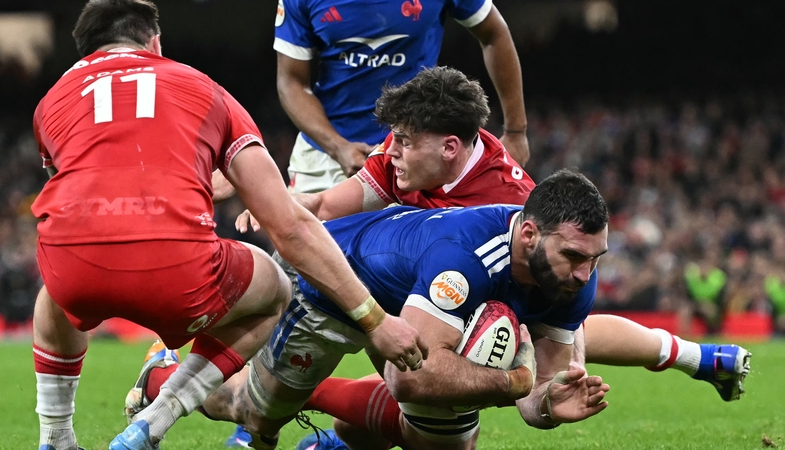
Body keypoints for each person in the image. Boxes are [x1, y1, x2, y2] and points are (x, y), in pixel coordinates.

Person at [226, 65, 751, 449]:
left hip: (474, 298)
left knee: (456, 396)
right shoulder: (406, 156)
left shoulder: (508, 206)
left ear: (450, 147)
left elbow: (556, 325)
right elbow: (326, 206)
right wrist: (272, 199)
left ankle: (314, 412)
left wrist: (544, 388)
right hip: (399, 281)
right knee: (420, 392)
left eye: (404, 141)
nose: (392, 151)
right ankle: (702, 357)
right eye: (396, 140)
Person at [29, 2, 426, 450]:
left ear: (84, 52)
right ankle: (155, 420)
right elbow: (290, 227)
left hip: (77, 270)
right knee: (275, 287)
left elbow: (77, 199)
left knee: (53, 294)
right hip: (179, 272)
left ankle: (56, 437)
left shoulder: (52, 101)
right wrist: (375, 321)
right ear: (155, 43)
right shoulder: (202, 87)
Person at [131, 169, 612, 450]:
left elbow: (538, 390)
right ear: (528, 235)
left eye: (595, 259)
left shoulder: (574, 278)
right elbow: (411, 379)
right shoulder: (465, 259)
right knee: (254, 416)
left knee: (443, 446)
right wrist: (512, 384)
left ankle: (336, 442)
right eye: (573, 256)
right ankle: (160, 374)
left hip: (411, 310)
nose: (584, 274)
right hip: (333, 286)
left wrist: (547, 405)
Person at [274, 0, 530, 194]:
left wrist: (516, 132)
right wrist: (337, 146)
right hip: (326, 153)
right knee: (301, 245)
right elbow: (291, 81)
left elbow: (494, 33)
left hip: (420, 151)